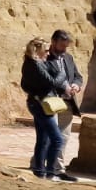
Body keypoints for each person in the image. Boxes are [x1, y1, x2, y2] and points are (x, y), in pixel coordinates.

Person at [21, 37, 72, 180]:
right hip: (41, 105)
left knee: (43, 140)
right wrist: (62, 71)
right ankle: (50, 172)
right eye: (46, 50)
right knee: (57, 139)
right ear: (38, 50)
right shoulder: (35, 64)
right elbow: (53, 82)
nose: (48, 53)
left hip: (37, 102)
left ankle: (39, 172)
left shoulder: (33, 63)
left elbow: (24, 84)